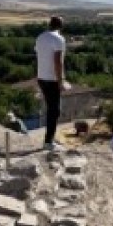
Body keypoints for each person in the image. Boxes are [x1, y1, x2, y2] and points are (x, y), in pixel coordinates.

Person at [34, 16, 70, 151]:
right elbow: (58, 61)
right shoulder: (59, 39)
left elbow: (40, 55)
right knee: (54, 111)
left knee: (51, 109)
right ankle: (48, 143)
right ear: (61, 26)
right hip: (52, 79)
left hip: (41, 77)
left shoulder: (40, 37)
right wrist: (61, 81)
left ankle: (50, 139)